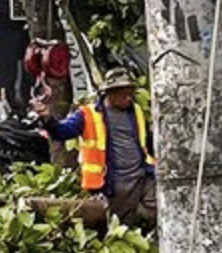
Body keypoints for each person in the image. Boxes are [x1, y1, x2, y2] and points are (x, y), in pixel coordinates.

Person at [47, 70, 157, 226]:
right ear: (110, 93)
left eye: (130, 94)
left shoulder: (136, 111)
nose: (128, 99)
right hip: (117, 183)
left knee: (157, 206)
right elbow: (62, 131)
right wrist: (47, 119)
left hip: (141, 175)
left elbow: (146, 141)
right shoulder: (88, 114)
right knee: (121, 224)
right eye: (123, 95)